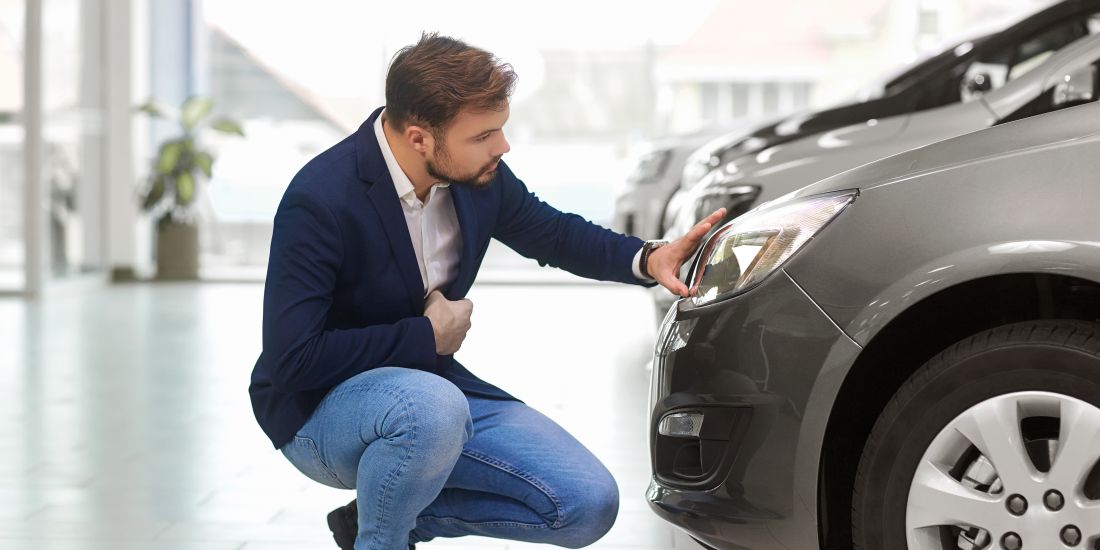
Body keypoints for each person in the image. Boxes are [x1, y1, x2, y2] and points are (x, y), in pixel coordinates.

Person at [248, 32, 725, 550]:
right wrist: (425, 336)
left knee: (586, 504)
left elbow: (553, 232)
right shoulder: (321, 198)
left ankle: (380, 517)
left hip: (429, 393)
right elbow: (293, 359)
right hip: (320, 409)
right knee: (430, 408)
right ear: (419, 139)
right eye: (483, 136)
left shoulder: (477, 177)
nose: (502, 146)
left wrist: (647, 258)